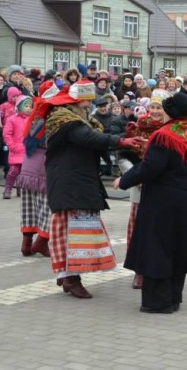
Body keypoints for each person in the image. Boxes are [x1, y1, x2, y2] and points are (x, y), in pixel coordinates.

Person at [45, 80, 144, 298]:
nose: (90, 103)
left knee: (75, 229)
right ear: (75, 100)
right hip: (70, 183)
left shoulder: (76, 118)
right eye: (86, 99)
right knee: (74, 231)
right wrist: (122, 141)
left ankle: (66, 275)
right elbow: (89, 138)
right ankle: (71, 278)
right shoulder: (66, 121)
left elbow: (93, 137)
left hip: (74, 181)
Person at [116, 93, 187, 313]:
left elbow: (151, 167)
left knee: (157, 247)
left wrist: (125, 179)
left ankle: (159, 301)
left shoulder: (163, 135)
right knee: (178, 248)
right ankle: (174, 297)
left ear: (170, 112)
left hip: (162, 201)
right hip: (185, 200)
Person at [122, 89, 169, 289]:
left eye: (160, 107)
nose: (156, 111)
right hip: (140, 189)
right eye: (153, 107)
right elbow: (123, 156)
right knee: (138, 230)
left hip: (162, 189)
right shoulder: (137, 128)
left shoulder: (170, 130)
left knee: (159, 231)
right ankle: (139, 271)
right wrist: (135, 176)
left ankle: (159, 269)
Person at [15, 81, 60, 257]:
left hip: (28, 164)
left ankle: (26, 244)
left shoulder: (35, 114)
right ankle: (41, 242)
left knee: (28, 206)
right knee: (46, 207)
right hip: (43, 166)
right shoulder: (50, 116)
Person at [2, 96, 32, 199]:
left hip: (27, 150)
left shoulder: (32, 119)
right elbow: (7, 134)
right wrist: (11, 146)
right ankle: (8, 188)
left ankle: (20, 189)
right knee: (14, 171)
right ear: (19, 107)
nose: (28, 108)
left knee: (23, 172)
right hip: (16, 149)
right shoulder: (12, 119)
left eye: (30, 106)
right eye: (26, 106)